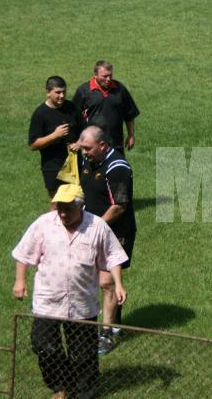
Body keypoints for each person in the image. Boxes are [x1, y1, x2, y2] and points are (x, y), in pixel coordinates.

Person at [12, 184, 127, 399]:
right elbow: (24, 252)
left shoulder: (97, 226)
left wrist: (119, 284)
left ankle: (85, 393)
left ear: (80, 206)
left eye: (68, 209)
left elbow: (113, 256)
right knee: (43, 345)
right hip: (48, 300)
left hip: (82, 302)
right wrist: (20, 281)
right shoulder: (44, 224)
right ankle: (60, 386)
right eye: (59, 209)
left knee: (84, 355)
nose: (62, 214)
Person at [79, 125, 136, 355]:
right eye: (83, 148)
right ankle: (104, 324)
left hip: (115, 232)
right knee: (89, 277)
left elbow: (119, 206)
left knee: (107, 282)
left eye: (88, 149)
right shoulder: (88, 161)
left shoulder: (118, 168)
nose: (84, 153)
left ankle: (107, 334)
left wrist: (95, 228)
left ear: (103, 145)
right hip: (90, 229)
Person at [28, 76, 84, 203]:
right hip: (53, 166)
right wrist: (54, 135)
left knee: (78, 200)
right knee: (57, 202)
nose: (62, 96)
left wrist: (79, 143)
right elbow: (33, 145)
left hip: (75, 163)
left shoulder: (72, 108)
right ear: (48, 92)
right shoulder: (40, 114)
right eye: (57, 92)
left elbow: (85, 130)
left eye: (64, 92)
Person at [72, 60, 140, 154]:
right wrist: (79, 141)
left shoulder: (119, 89)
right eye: (104, 76)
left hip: (116, 144)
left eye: (110, 76)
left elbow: (129, 115)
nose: (108, 79)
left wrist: (131, 135)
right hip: (92, 146)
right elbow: (74, 119)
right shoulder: (84, 91)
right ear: (95, 75)